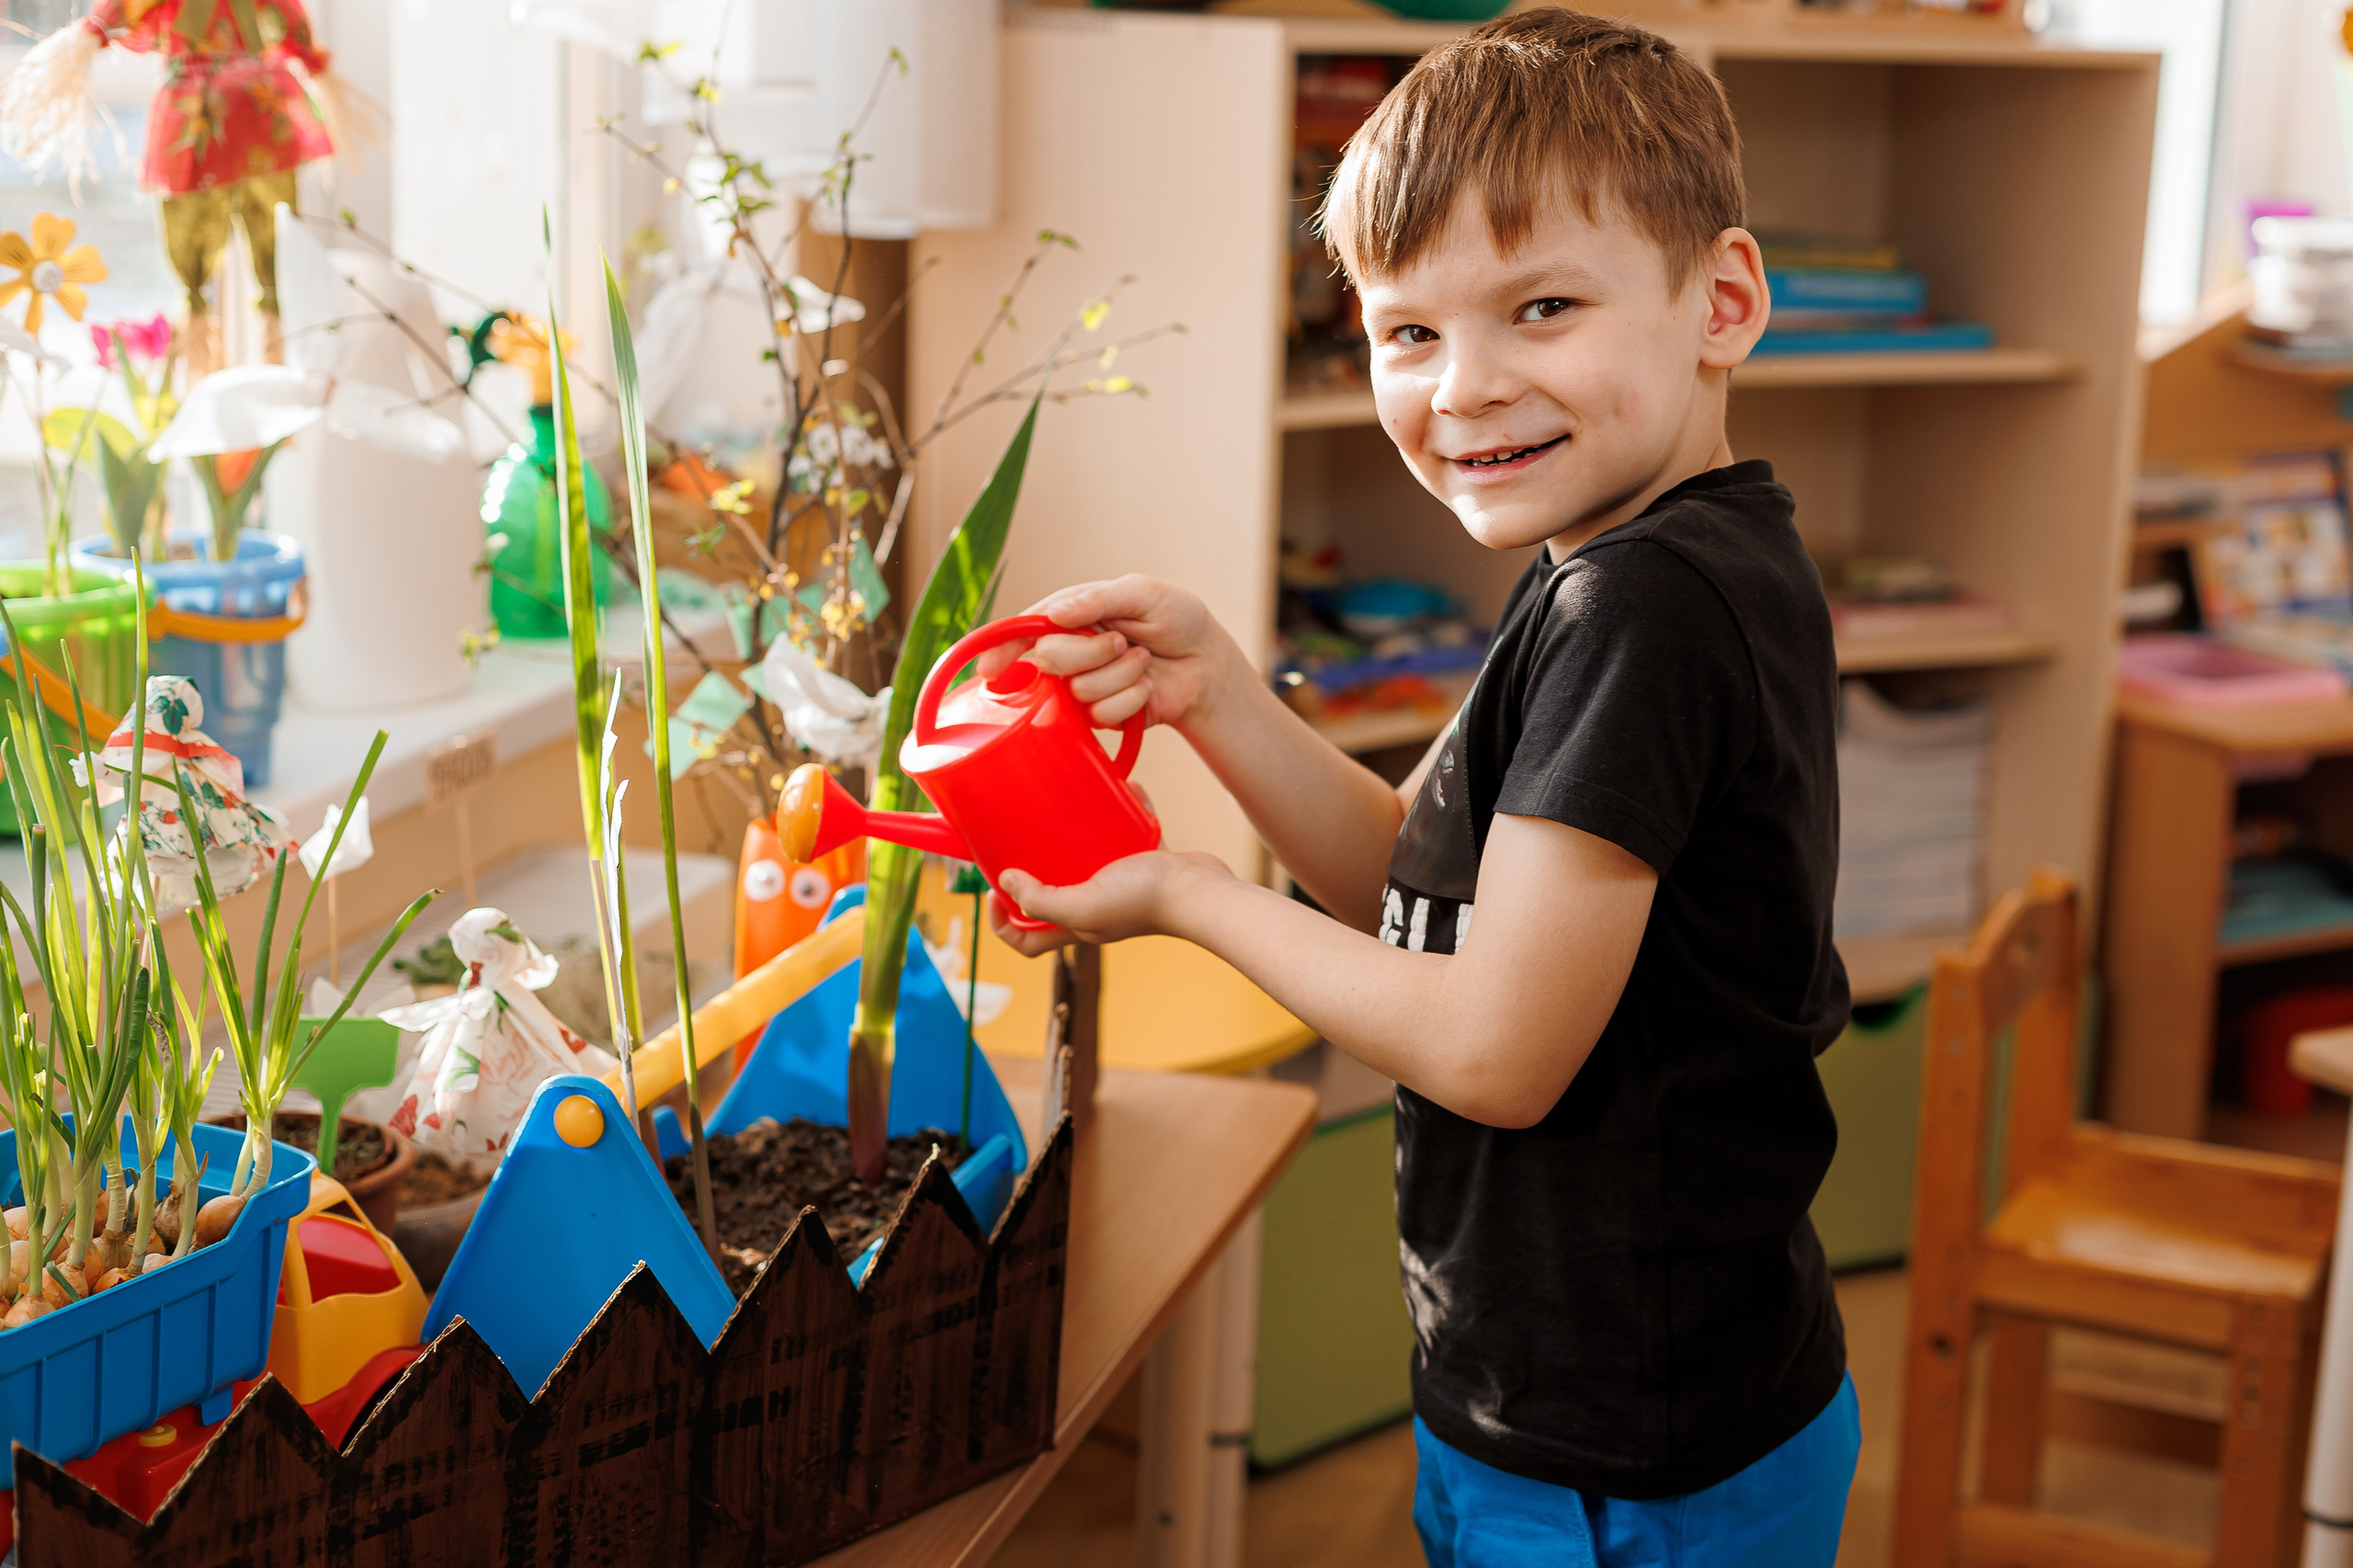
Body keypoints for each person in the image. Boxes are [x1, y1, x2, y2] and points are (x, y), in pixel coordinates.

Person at [984, 11, 1858, 1564]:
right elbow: (1426, 896)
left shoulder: (1640, 607)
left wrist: (1185, 895)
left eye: (1541, 305)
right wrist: (1218, 697)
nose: (1462, 387)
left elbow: (1496, 1046)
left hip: (1626, 1459)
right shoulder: (1627, 551)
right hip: (1593, 1406)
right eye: (1406, 332)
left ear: (1721, 301)